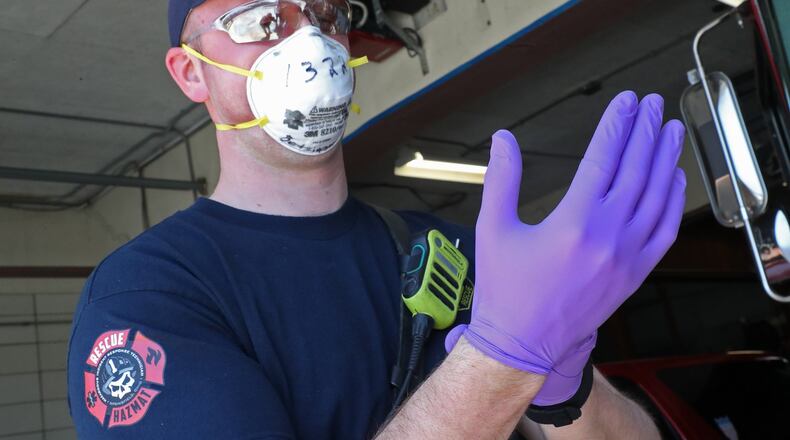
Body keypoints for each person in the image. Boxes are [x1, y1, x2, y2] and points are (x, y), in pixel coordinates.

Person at [66, 0, 686, 438]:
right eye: (262, 20)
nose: (306, 41)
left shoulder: (448, 247)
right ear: (191, 72)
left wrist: (565, 383)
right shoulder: (147, 297)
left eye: (324, 15)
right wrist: (505, 356)